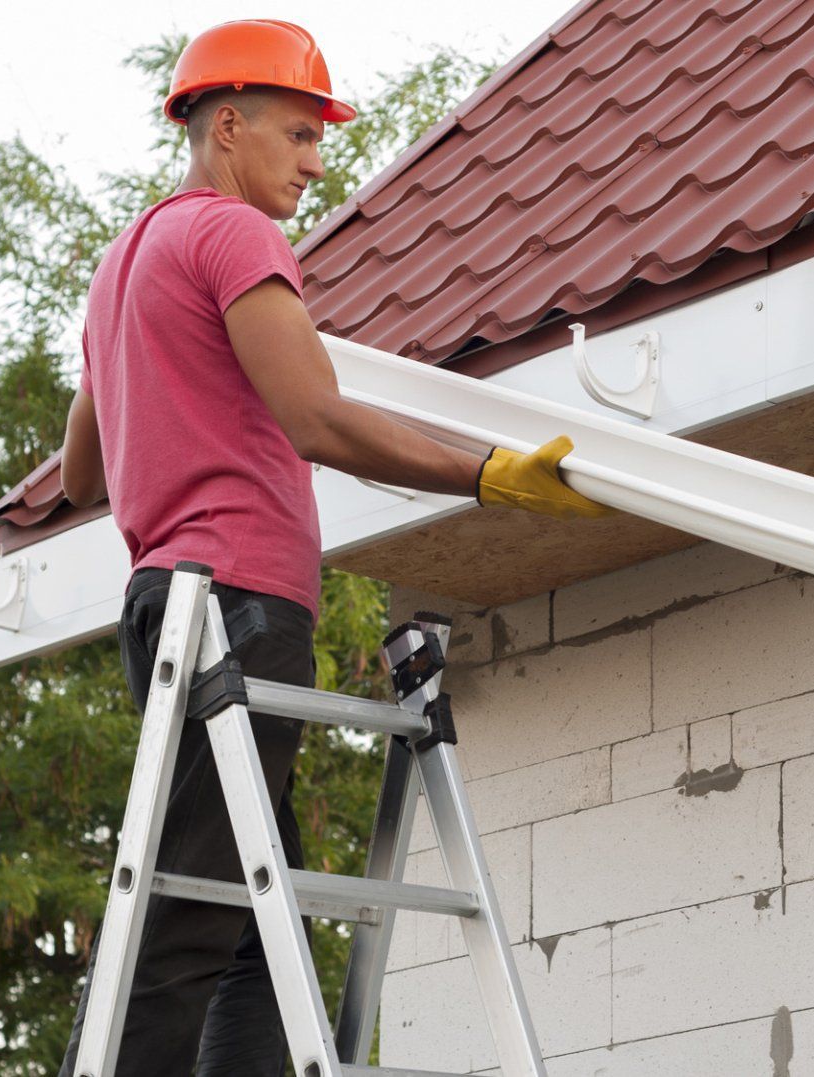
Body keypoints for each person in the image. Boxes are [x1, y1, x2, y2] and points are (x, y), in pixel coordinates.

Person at [53, 18, 610, 1075]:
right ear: (228, 125)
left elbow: (82, 477)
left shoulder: (123, 262)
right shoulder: (232, 236)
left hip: (164, 610)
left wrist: (156, 395)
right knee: (183, 923)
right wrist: (485, 471)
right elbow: (319, 419)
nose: (317, 160)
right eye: (300, 134)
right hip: (236, 608)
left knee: (253, 936)